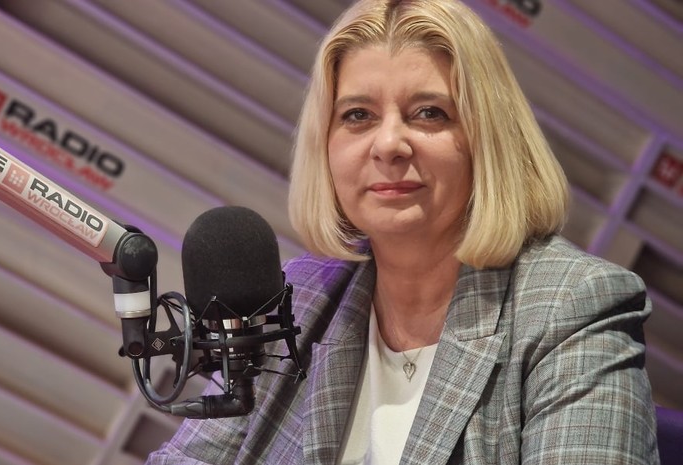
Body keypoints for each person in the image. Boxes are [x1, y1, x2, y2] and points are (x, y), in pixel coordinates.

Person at [147, 0, 659, 463]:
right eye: (358, 115)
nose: (389, 144)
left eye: (429, 113)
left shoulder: (572, 308)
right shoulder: (302, 298)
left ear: (487, 139)